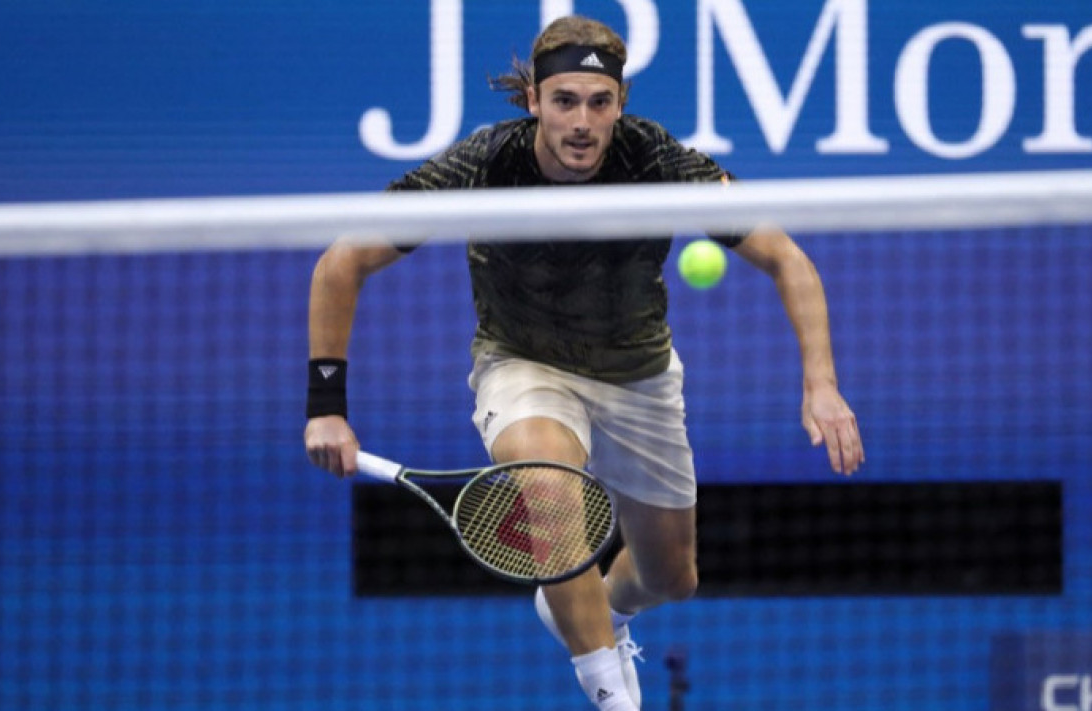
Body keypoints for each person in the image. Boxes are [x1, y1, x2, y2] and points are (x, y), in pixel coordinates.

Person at [304, 14, 864, 711]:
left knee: (671, 577)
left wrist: (821, 385)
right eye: (564, 101)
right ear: (533, 100)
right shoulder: (486, 163)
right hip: (524, 365)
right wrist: (326, 406)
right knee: (549, 490)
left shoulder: (654, 159)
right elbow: (342, 262)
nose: (581, 122)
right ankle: (611, 694)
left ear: (619, 104)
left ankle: (593, 608)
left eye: (599, 102)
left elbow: (787, 259)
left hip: (638, 377)